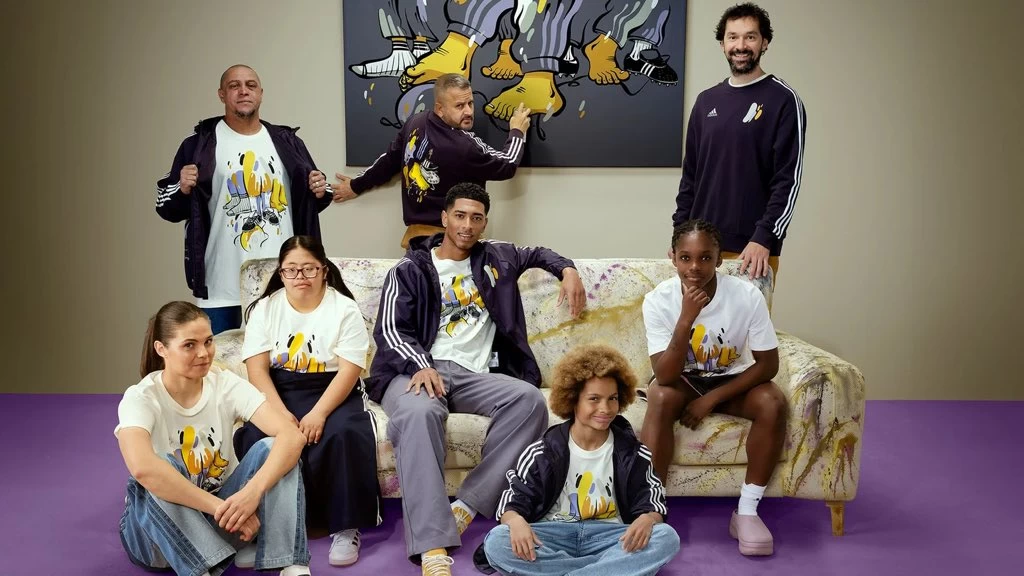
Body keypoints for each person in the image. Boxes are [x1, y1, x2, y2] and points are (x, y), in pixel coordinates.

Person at [365, 182, 587, 575]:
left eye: (476, 218)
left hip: (473, 376)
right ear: (444, 218)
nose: (467, 225)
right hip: (413, 370)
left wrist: (567, 269)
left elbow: (539, 253)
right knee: (420, 414)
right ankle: (432, 548)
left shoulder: (497, 257)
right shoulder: (410, 268)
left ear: (485, 223)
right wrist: (420, 364)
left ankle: (466, 506)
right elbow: (391, 329)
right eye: (460, 216)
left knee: (529, 400)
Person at [115, 301, 311, 576]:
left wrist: (251, 495)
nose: (203, 353)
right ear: (161, 349)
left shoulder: (225, 383)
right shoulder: (141, 397)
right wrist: (220, 507)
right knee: (158, 470)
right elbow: (142, 468)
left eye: (208, 341)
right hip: (155, 539)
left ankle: (290, 565)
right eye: (189, 345)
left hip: (222, 521)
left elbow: (291, 436)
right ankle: (202, 569)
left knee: (273, 448)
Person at [640, 219, 787, 556]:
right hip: (682, 381)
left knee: (773, 401)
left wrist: (712, 399)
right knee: (659, 396)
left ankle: (747, 512)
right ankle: (651, 508)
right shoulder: (658, 300)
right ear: (673, 258)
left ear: (720, 259)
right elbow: (664, 375)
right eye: (686, 257)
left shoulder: (747, 295)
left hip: (731, 380)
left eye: (705, 257)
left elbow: (768, 365)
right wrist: (686, 319)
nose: (695, 267)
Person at [233, 236, 382, 567]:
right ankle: (258, 530)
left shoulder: (344, 308)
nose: (300, 276)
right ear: (281, 273)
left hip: (333, 388)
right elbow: (256, 370)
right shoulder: (264, 308)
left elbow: (350, 370)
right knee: (258, 436)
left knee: (344, 432)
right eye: (291, 269)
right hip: (280, 389)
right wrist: (279, 414)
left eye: (309, 268)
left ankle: (345, 527)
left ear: (324, 270)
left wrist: (319, 413)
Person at [155, 64, 334, 334]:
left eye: (250, 85)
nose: (243, 91)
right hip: (219, 284)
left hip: (282, 280)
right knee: (215, 359)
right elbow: (165, 206)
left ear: (260, 93)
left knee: (283, 358)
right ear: (221, 94)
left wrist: (321, 190)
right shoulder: (199, 144)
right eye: (234, 86)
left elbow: (314, 196)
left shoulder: (287, 142)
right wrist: (181, 187)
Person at [482, 344, 680, 576]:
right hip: (552, 535)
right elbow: (511, 502)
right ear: (573, 399)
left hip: (610, 537)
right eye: (594, 399)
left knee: (666, 537)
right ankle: (607, 569)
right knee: (497, 540)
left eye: (612, 398)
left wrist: (648, 518)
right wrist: (515, 522)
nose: (605, 408)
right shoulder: (542, 451)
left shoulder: (634, 453)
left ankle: (569, 571)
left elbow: (654, 503)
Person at [673, 3, 806, 285]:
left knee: (746, 318)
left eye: (750, 37)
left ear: (764, 42)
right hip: (699, 247)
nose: (741, 45)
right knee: (693, 316)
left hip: (752, 249)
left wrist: (764, 237)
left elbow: (788, 180)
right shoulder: (706, 101)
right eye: (733, 37)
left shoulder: (783, 100)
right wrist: (679, 236)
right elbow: (690, 177)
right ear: (722, 44)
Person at [331, 73, 531, 248]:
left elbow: (389, 160)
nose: (469, 112)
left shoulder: (415, 122)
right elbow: (507, 164)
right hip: (454, 244)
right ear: (440, 108)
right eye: (459, 106)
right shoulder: (464, 146)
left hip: (416, 240)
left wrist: (356, 185)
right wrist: (517, 131)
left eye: (470, 103)